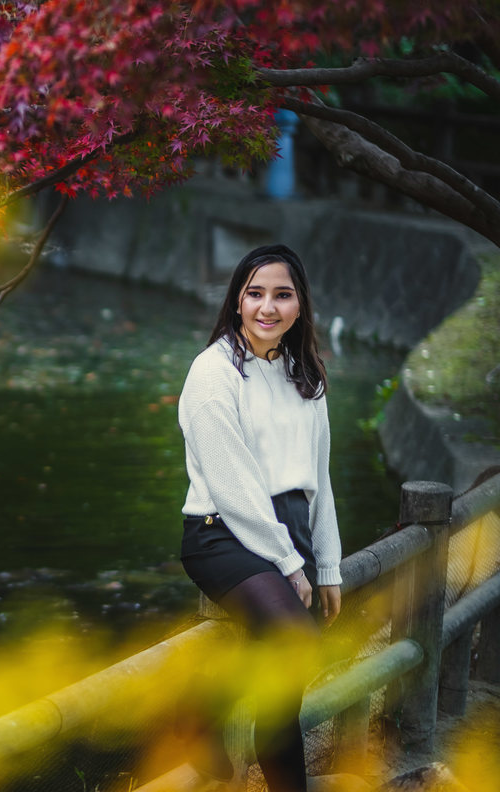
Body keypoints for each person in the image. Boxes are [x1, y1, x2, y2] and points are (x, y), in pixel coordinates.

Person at [177, 244, 343, 792]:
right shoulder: (213, 372)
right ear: (237, 301)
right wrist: (290, 563)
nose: (267, 307)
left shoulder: (306, 377)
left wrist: (329, 566)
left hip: (286, 534)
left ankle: (222, 729)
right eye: (255, 294)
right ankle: (204, 719)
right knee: (294, 644)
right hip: (222, 533)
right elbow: (232, 486)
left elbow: (319, 480)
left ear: (300, 305)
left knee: (282, 682)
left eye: (282, 294)